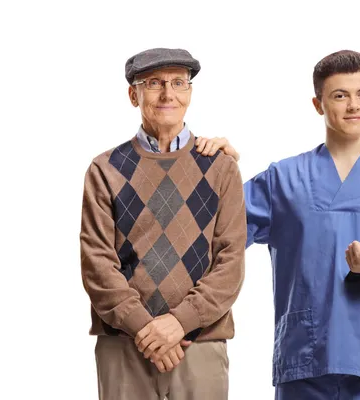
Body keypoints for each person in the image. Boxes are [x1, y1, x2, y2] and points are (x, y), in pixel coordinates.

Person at [195, 50, 360, 399]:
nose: (353, 105)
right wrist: (218, 171)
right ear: (318, 104)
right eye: (340, 95)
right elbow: (208, 233)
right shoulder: (282, 179)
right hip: (304, 358)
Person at [80, 47, 247, 400]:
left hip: (199, 344)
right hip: (125, 346)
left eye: (178, 82)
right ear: (133, 94)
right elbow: (97, 264)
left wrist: (179, 322)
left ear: (190, 92)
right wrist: (146, 329)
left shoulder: (221, 167)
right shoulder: (104, 169)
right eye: (153, 83)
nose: (168, 93)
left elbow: (230, 263)